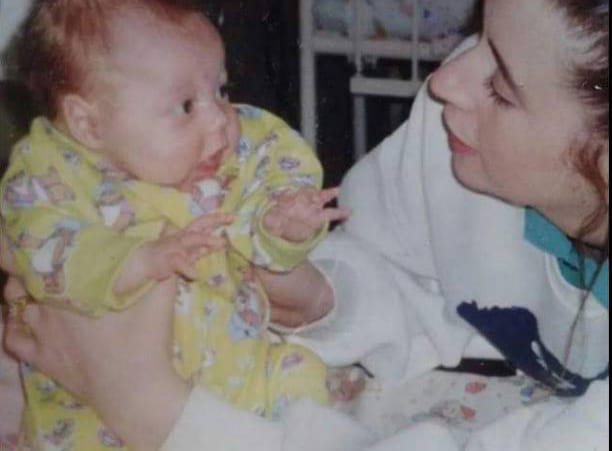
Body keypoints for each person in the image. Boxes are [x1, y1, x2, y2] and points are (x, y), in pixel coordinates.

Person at [2, 0, 609, 449]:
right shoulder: (452, 137)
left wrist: (149, 406)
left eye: (501, 86)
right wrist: (318, 295)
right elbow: (391, 258)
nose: (443, 81)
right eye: (478, 35)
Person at [0, 0, 351, 449]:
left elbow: (272, 166)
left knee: (303, 378)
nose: (219, 119)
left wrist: (281, 223)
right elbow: (40, 245)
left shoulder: (227, 149)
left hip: (236, 365)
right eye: (186, 105)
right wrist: (139, 259)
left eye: (220, 90)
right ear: (89, 125)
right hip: (99, 395)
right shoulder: (51, 174)